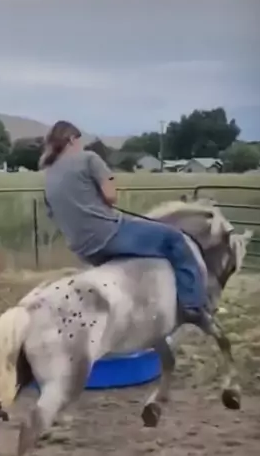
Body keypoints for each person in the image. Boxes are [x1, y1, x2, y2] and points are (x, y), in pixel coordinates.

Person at [40, 120, 209, 326]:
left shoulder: (48, 175)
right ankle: (193, 305)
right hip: (108, 235)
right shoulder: (88, 159)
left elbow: (53, 214)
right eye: (80, 141)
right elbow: (111, 197)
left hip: (83, 249)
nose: (81, 145)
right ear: (71, 139)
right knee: (174, 239)